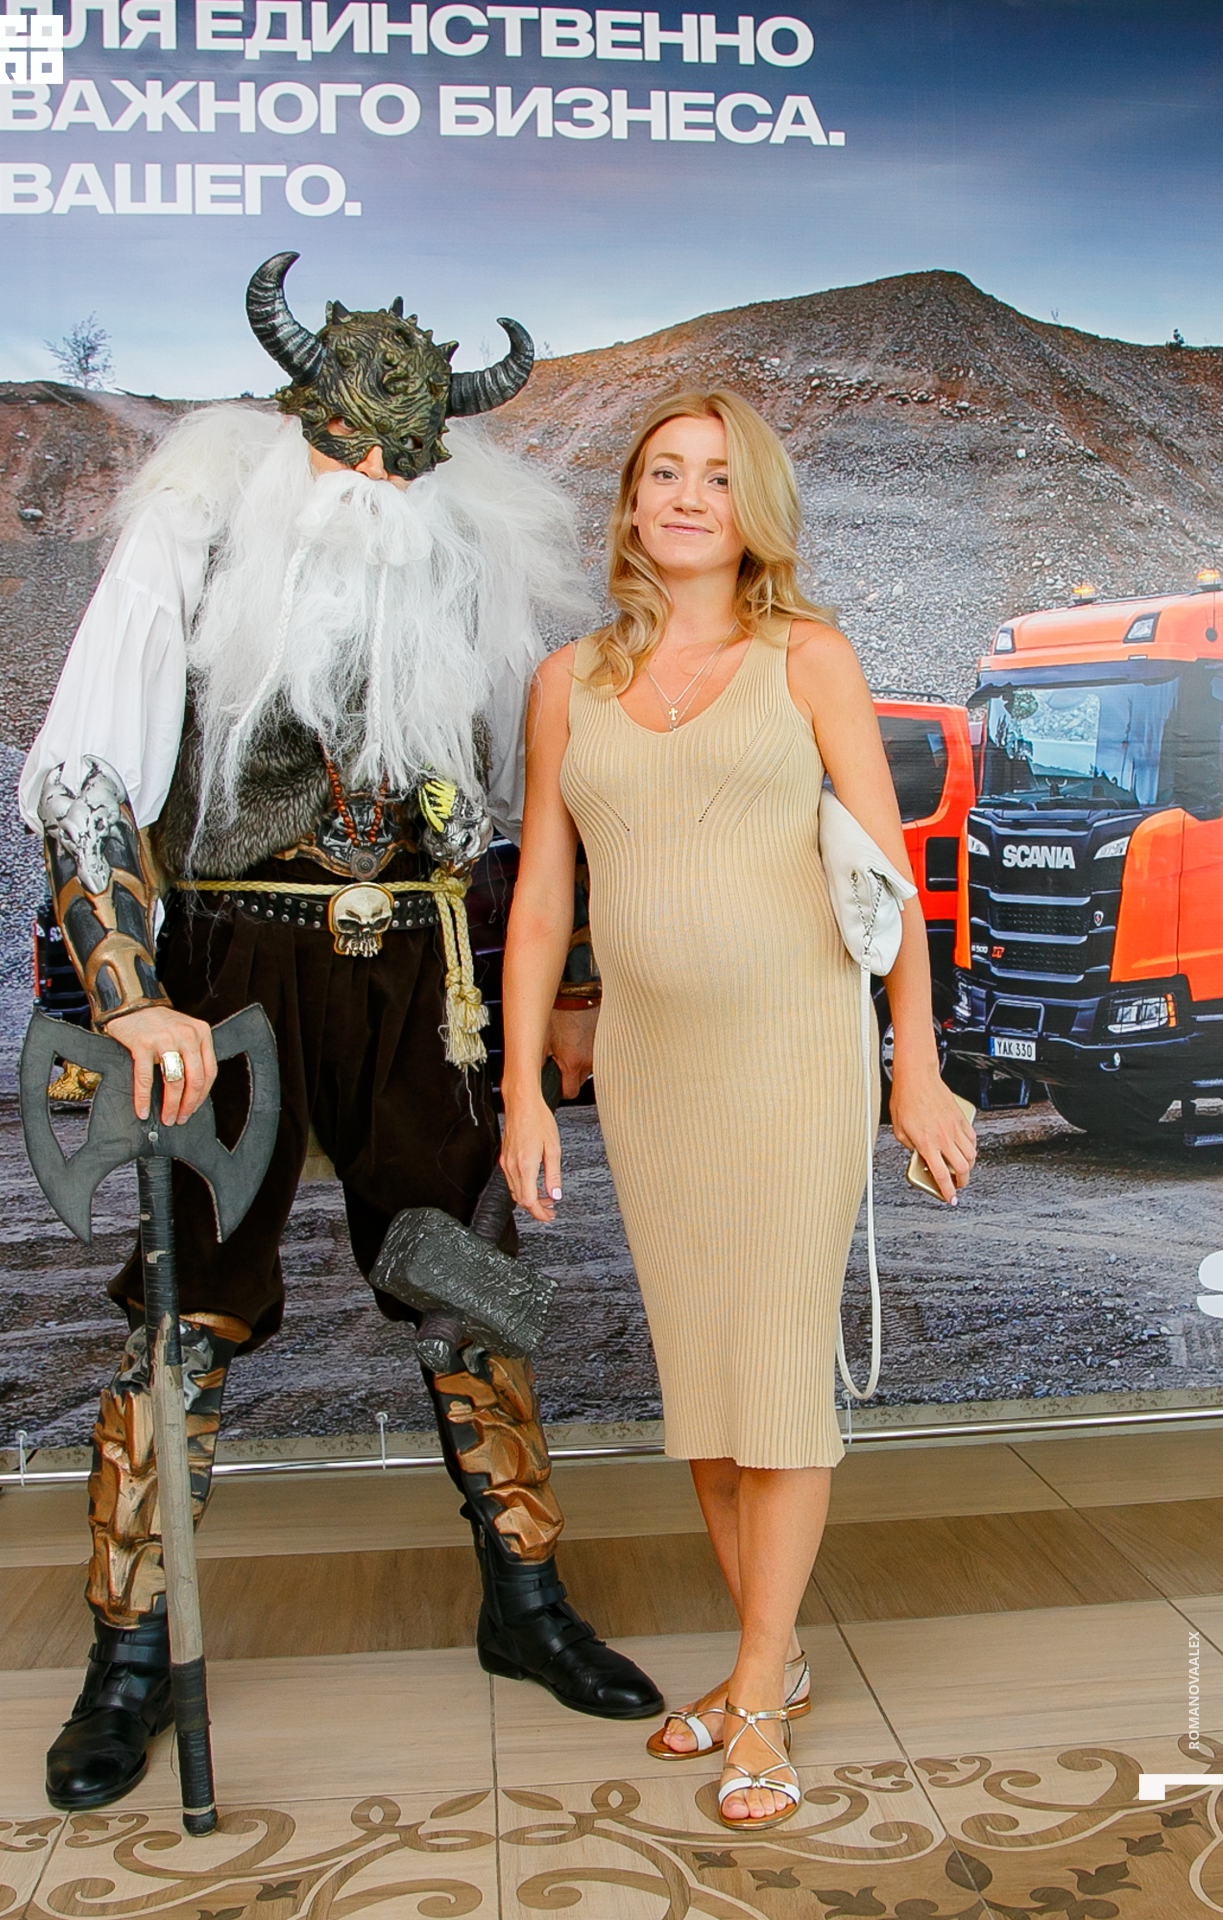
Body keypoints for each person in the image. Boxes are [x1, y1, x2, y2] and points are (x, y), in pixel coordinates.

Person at [19, 252, 663, 1815]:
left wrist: (570, 981)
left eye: (405, 454)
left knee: (463, 1276)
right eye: (351, 444)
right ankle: (127, 1654)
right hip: (227, 969)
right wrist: (132, 993)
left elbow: (522, 801)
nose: (376, 478)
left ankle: (524, 1602)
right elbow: (90, 771)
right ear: (299, 414)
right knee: (188, 1302)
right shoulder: (203, 521)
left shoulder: (457, 554)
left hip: (422, 969)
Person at [500, 389, 976, 1831]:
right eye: (664, 472)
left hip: (793, 1061)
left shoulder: (807, 657)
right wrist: (521, 1087)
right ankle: (772, 1654)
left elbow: (887, 884)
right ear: (631, 504)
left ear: (752, 506)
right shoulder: (566, 682)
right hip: (652, 1075)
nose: (689, 496)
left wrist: (914, 1067)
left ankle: (760, 1690)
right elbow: (542, 901)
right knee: (708, 1385)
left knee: (774, 1374)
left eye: (717, 476)